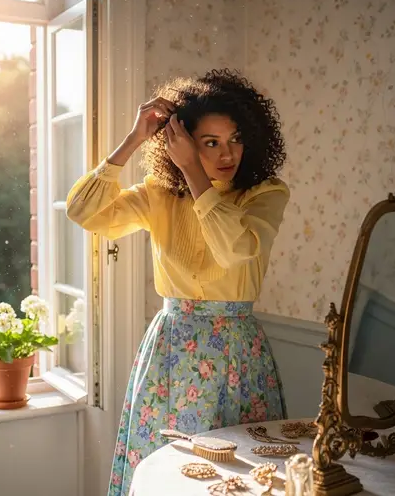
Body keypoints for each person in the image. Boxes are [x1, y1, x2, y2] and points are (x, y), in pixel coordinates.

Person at [66, 69, 290, 496]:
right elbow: (83, 212)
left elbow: (235, 249)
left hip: (238, 353)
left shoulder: (265, 193)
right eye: (210, 142)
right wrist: (133, 139)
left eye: (236, 138)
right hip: (172, 348)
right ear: (180, 144)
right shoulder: (159, 195)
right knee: (169, 472)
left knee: (245, 475)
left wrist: (195, 171)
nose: (229, 153)